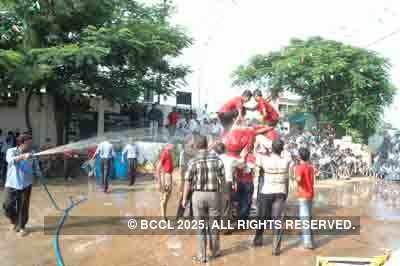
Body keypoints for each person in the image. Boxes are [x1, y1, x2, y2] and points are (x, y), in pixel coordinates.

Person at [182, 135, 225, 263]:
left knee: (200, 226)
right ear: (207, 145)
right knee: (214, 224)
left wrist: (184, 198)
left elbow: (187, 182)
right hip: (213, 195)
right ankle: (215, 251)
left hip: (198, 195)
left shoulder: (192, 161)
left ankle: (202, 255)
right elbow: (222, 179)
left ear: (196, 146)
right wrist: (222, 195)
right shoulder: (217, 159)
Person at [253, 139, 292, 256]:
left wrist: (266, 148)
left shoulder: (265, 159)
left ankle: (258, 239)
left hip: (267, 191)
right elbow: (287, 154)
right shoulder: (286, 160)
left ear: (272, 149)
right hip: (280, 192)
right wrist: (281, 149)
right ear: (282, 149)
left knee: (262, 217)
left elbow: (256, 153)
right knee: (278, 220)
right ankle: (276, 247)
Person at [2, 134, 41, 236]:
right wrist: (22, 156)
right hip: (11, 184)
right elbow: (10, 160)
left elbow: (36, 166)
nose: (30, 145)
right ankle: (15, 221)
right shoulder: (11, 151)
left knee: (23, 206)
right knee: (7, 205)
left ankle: (22, 226)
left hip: (26, 184)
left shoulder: (32, 153)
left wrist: (38, 174)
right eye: (28, 143)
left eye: (31, 143)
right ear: (21, 143)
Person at [295, 147, 315, 249]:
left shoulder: (299, 167)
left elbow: (298, 179)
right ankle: (311, 240)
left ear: (299, 156)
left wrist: (297, 180)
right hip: (310, 194)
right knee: (309, 219)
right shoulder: (311, 167)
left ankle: (307, 242)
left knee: (305, 220)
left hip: (303, 195)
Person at [176, 134, 197, 219]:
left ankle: (191, 215)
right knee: (184, 197)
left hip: (194, 177)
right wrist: (181, 181)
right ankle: (179, 216)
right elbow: (181, 167)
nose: (194, 141)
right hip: (186, 178)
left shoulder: (194, 150)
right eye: (192, 139)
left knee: (193, 197)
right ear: (189, 141)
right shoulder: (183, 152)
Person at [156, 143, 175, 220]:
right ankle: (163, 217)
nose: (172, 148)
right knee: (165, 196)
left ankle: (164, 216)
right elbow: (158, 168)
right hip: (166, 176)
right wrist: (159, 182)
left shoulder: (169, 154)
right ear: (167, 147)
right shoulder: (165, 154)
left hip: (168, 176)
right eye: (171, 147)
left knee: (167, 196)